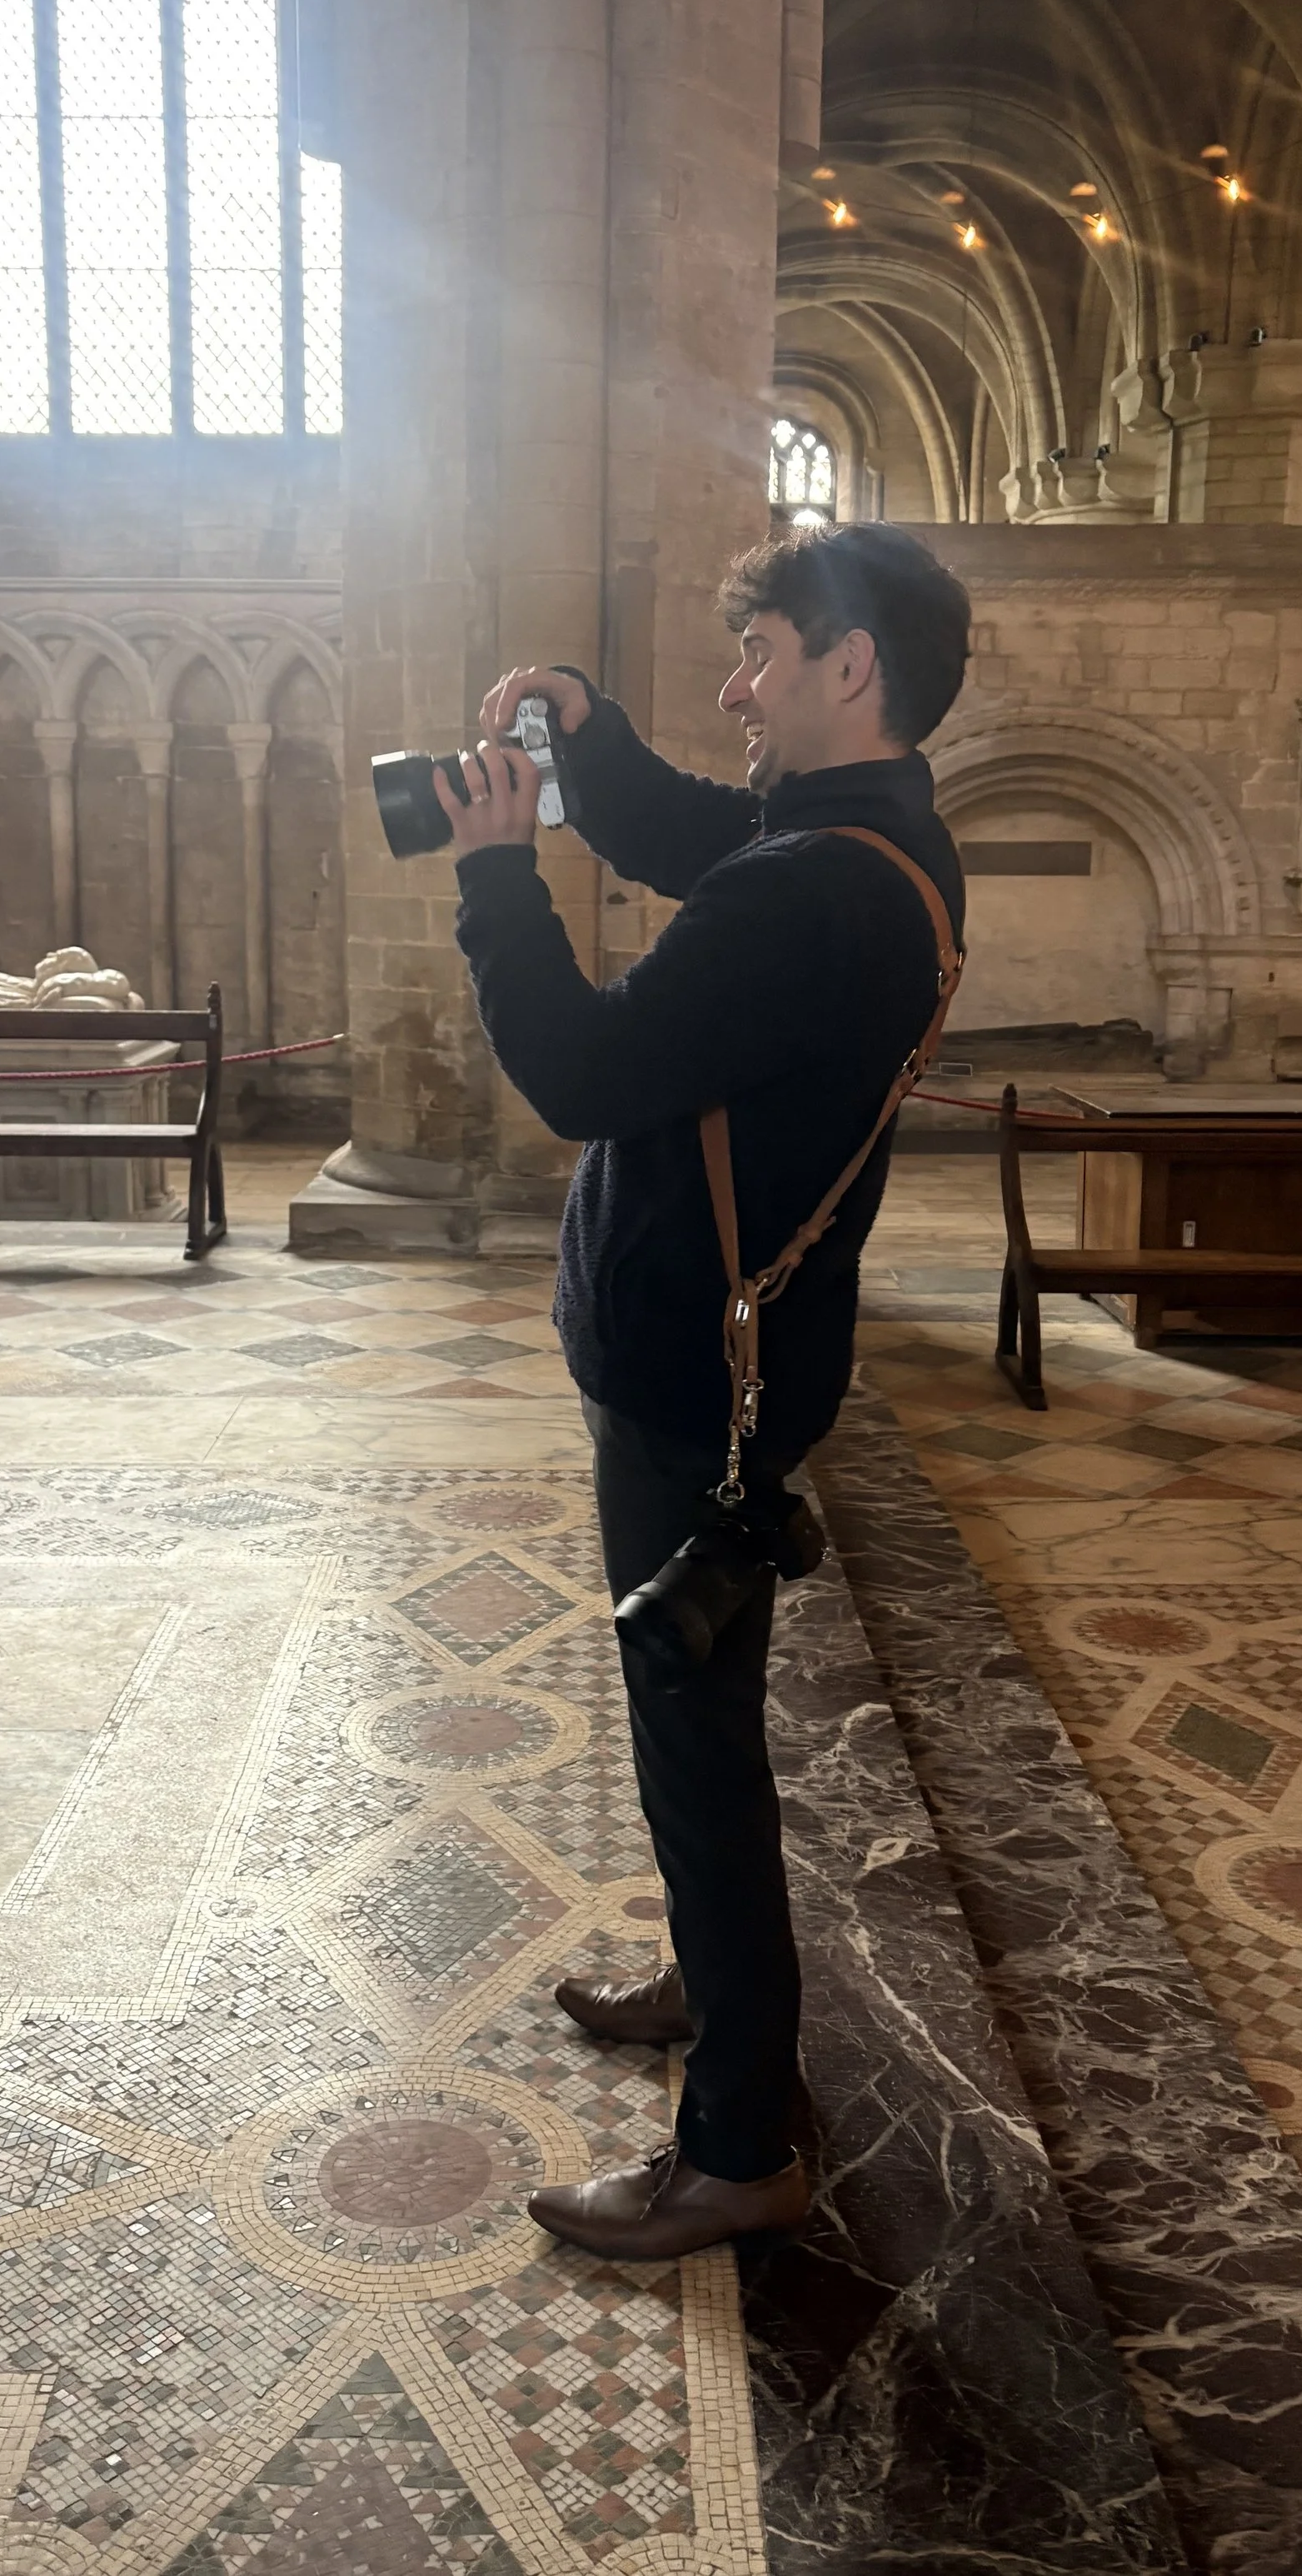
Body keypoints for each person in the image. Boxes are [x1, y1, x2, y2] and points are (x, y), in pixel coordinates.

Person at [440, 522, 969, 2260]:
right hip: (752, 1351)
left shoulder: (804, 884)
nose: (735, 685)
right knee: (704, 1714)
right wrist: (583, 738)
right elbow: (690, 834)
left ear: (851, 668)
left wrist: (498, 873)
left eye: (761, 652)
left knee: (694, 1740)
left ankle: (736, 2139)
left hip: (694, 1378)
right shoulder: (871, 844)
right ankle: (710, 1972)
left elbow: (582, 1073)